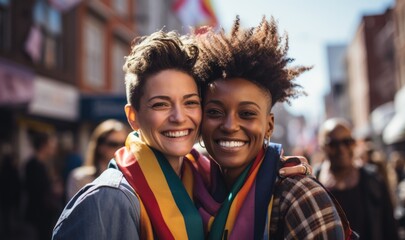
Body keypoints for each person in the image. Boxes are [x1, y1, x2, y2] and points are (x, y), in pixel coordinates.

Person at [52, 29, 309, 240]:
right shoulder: (108, 200)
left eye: (190, 102)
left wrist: (274, 165)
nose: (178, 117)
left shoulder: (202, 180)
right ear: (133, 117)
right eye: (161, 104)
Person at [190, 16, 354, 239]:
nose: (229, 126)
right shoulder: (192, 188)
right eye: (214, 112)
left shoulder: (299, 196)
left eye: (247, 114)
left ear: (269, 126)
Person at [315, 118, 399, 240]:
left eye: (347, 142)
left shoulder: (373, 179)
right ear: (322, 147)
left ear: (354, 143)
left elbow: (390, 229)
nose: (341, 149)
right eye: (333, 144)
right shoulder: (314, 182)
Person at [66, 119, 128, 200]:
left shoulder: (129, 179)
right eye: (113, 144)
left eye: (124, 144)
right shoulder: (80, 178)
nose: (120, 149)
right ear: (100, 146)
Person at [24, 130, 62, 240]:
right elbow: (36, 190)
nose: (53, 147)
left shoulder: (45, 164)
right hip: (38, 215)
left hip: (45, 214)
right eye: (51, 144)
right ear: (43, 145)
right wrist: (53, 189)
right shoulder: (33, 165)